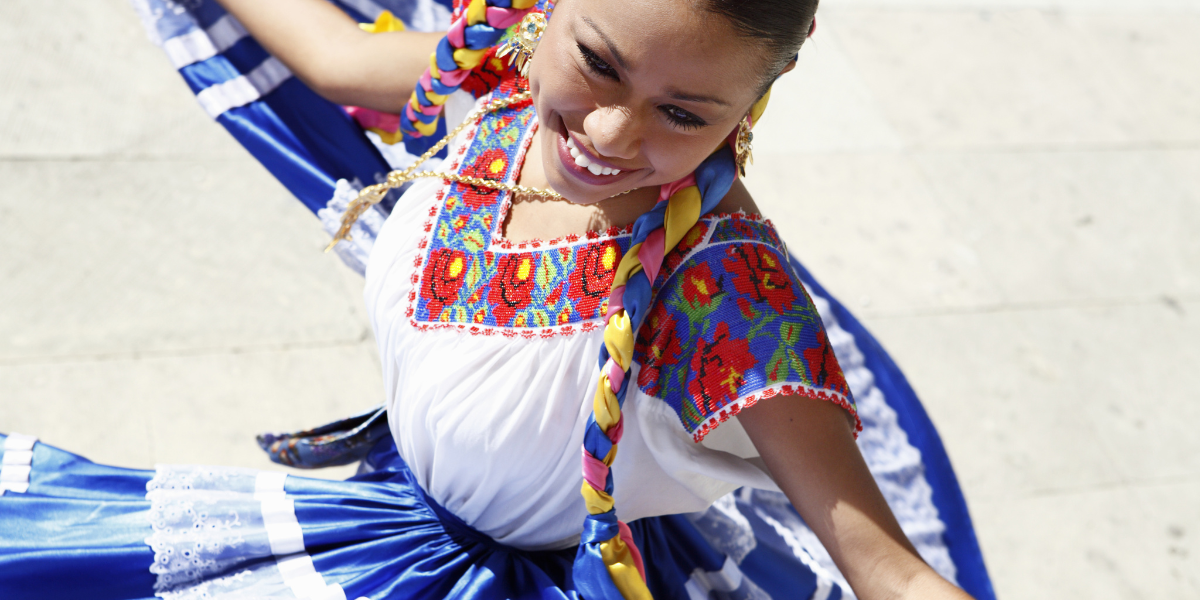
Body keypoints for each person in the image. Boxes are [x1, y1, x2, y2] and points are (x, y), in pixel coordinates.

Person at [0, 0, 994, 598]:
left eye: (684, 114)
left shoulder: (722, 297)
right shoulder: (504, 65)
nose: (608, 130)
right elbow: (335, 59)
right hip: (399, 530)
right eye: (598, 61)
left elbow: (891, 573)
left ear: (759, 98)